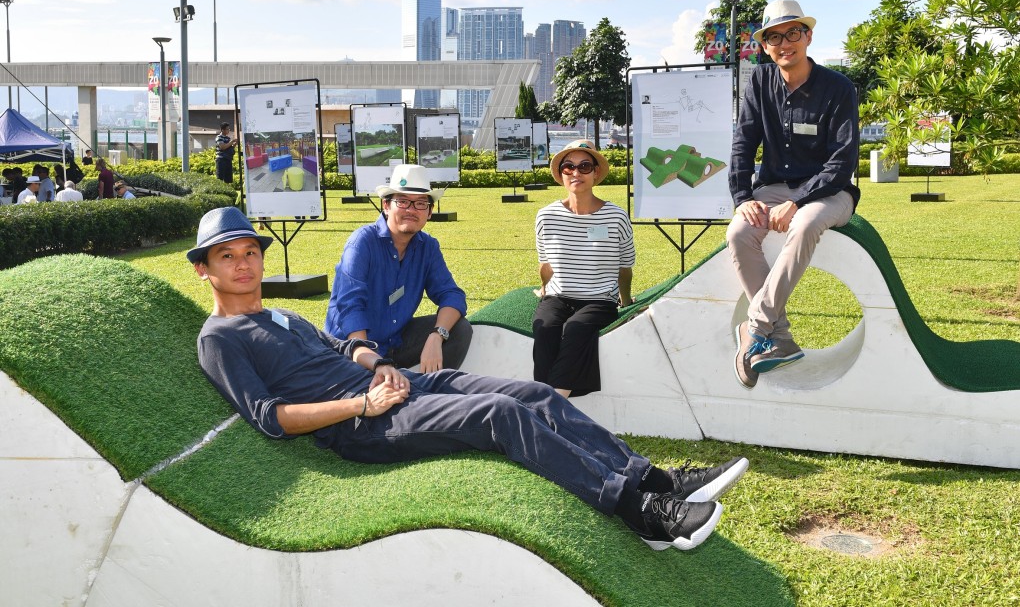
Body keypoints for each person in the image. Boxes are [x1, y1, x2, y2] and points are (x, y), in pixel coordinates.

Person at [190, 206, 749, 552]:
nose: (244, 264)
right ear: (203, 269)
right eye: (227, 256)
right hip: (362, 426)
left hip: (393, 386)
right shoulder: (220, 338)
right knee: (499, 415)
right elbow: (270, 419)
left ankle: (655, 479)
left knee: (529, 392)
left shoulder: (279, 314)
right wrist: (361, 407)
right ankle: (640, 512)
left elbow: (338, 346)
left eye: (249, 252)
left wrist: (378, 363)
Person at [727, 0, 860, 389]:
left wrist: (799, 200)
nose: (785, 43)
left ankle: (756, 327)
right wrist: (743, 199)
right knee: (738, 232)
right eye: (774, 37)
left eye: (793, 33)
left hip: (829, 192)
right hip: (770, 188)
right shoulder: (759, 82)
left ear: (808, 36)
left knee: (803, 225)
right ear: (765, 46)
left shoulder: (838, 88)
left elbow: (842, 160)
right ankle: (780, 338)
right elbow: (742, 144)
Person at [324, 164, 472, 372]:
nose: (411, 210)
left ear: (429, 212)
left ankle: (432, 394)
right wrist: (372, 363)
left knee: (458, 329)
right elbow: (350, 307)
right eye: (402, 201)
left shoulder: (427, 247)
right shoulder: (362, 243)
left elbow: (451, 294)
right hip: (352, 351)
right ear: (386, 205)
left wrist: (437, 335)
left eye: (421, 204)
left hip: (394, 343)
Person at [533, 140, 635, 398]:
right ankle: (550, 401)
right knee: (544, 327)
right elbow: (545, 264)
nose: (576, 173)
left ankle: (550, 404)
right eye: (568, 167)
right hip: (558, 296)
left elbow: (625, 267)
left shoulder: (616, 216)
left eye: (584, 166)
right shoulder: (546, 216)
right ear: (561, 174)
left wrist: (624, 300)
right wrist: (544, 289)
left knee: (577, 328)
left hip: (599, 299)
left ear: (596, 173)